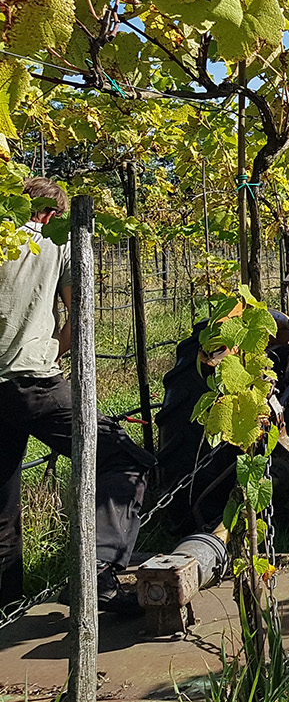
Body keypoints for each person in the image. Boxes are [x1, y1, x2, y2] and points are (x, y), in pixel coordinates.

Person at [0, 177, 156, 613]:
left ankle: (6, 612)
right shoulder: (58, 241)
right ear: (51, 214)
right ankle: (98, 573)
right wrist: (52, 347)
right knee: (125, 458)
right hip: (34, 382)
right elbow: (78, 312)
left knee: (2, 508)